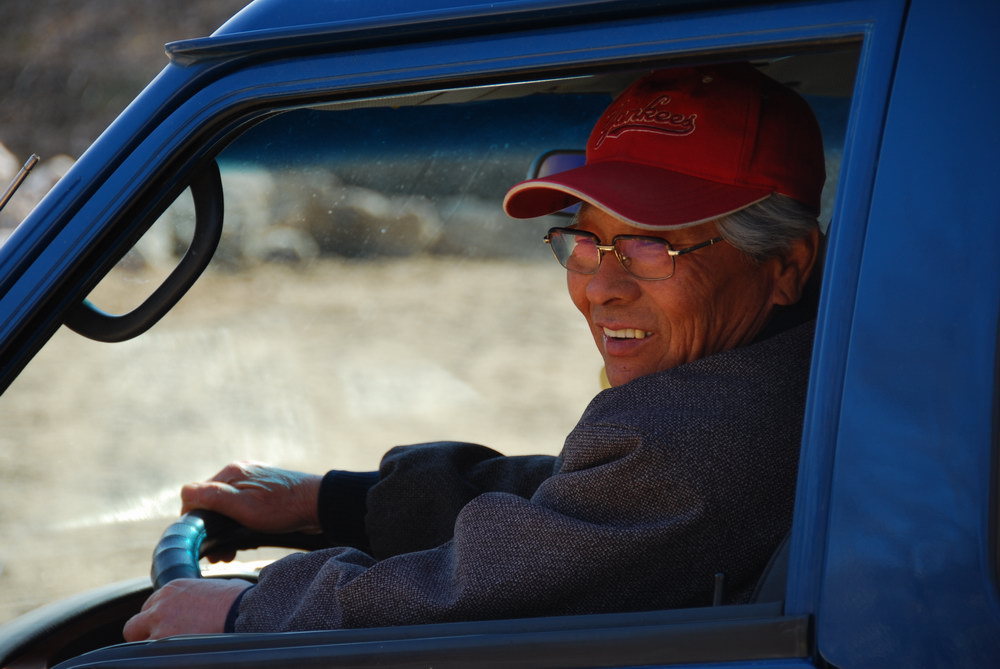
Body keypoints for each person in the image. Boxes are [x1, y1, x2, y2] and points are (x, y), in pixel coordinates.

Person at [124, 61, 824, 641]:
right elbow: (576, 510)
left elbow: (476, 596)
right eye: (584, 240)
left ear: (787, 263)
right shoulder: (796, 377)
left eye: (652, 243)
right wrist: (328, 500)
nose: (600, 287)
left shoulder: (697, 438)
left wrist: (246, 612)